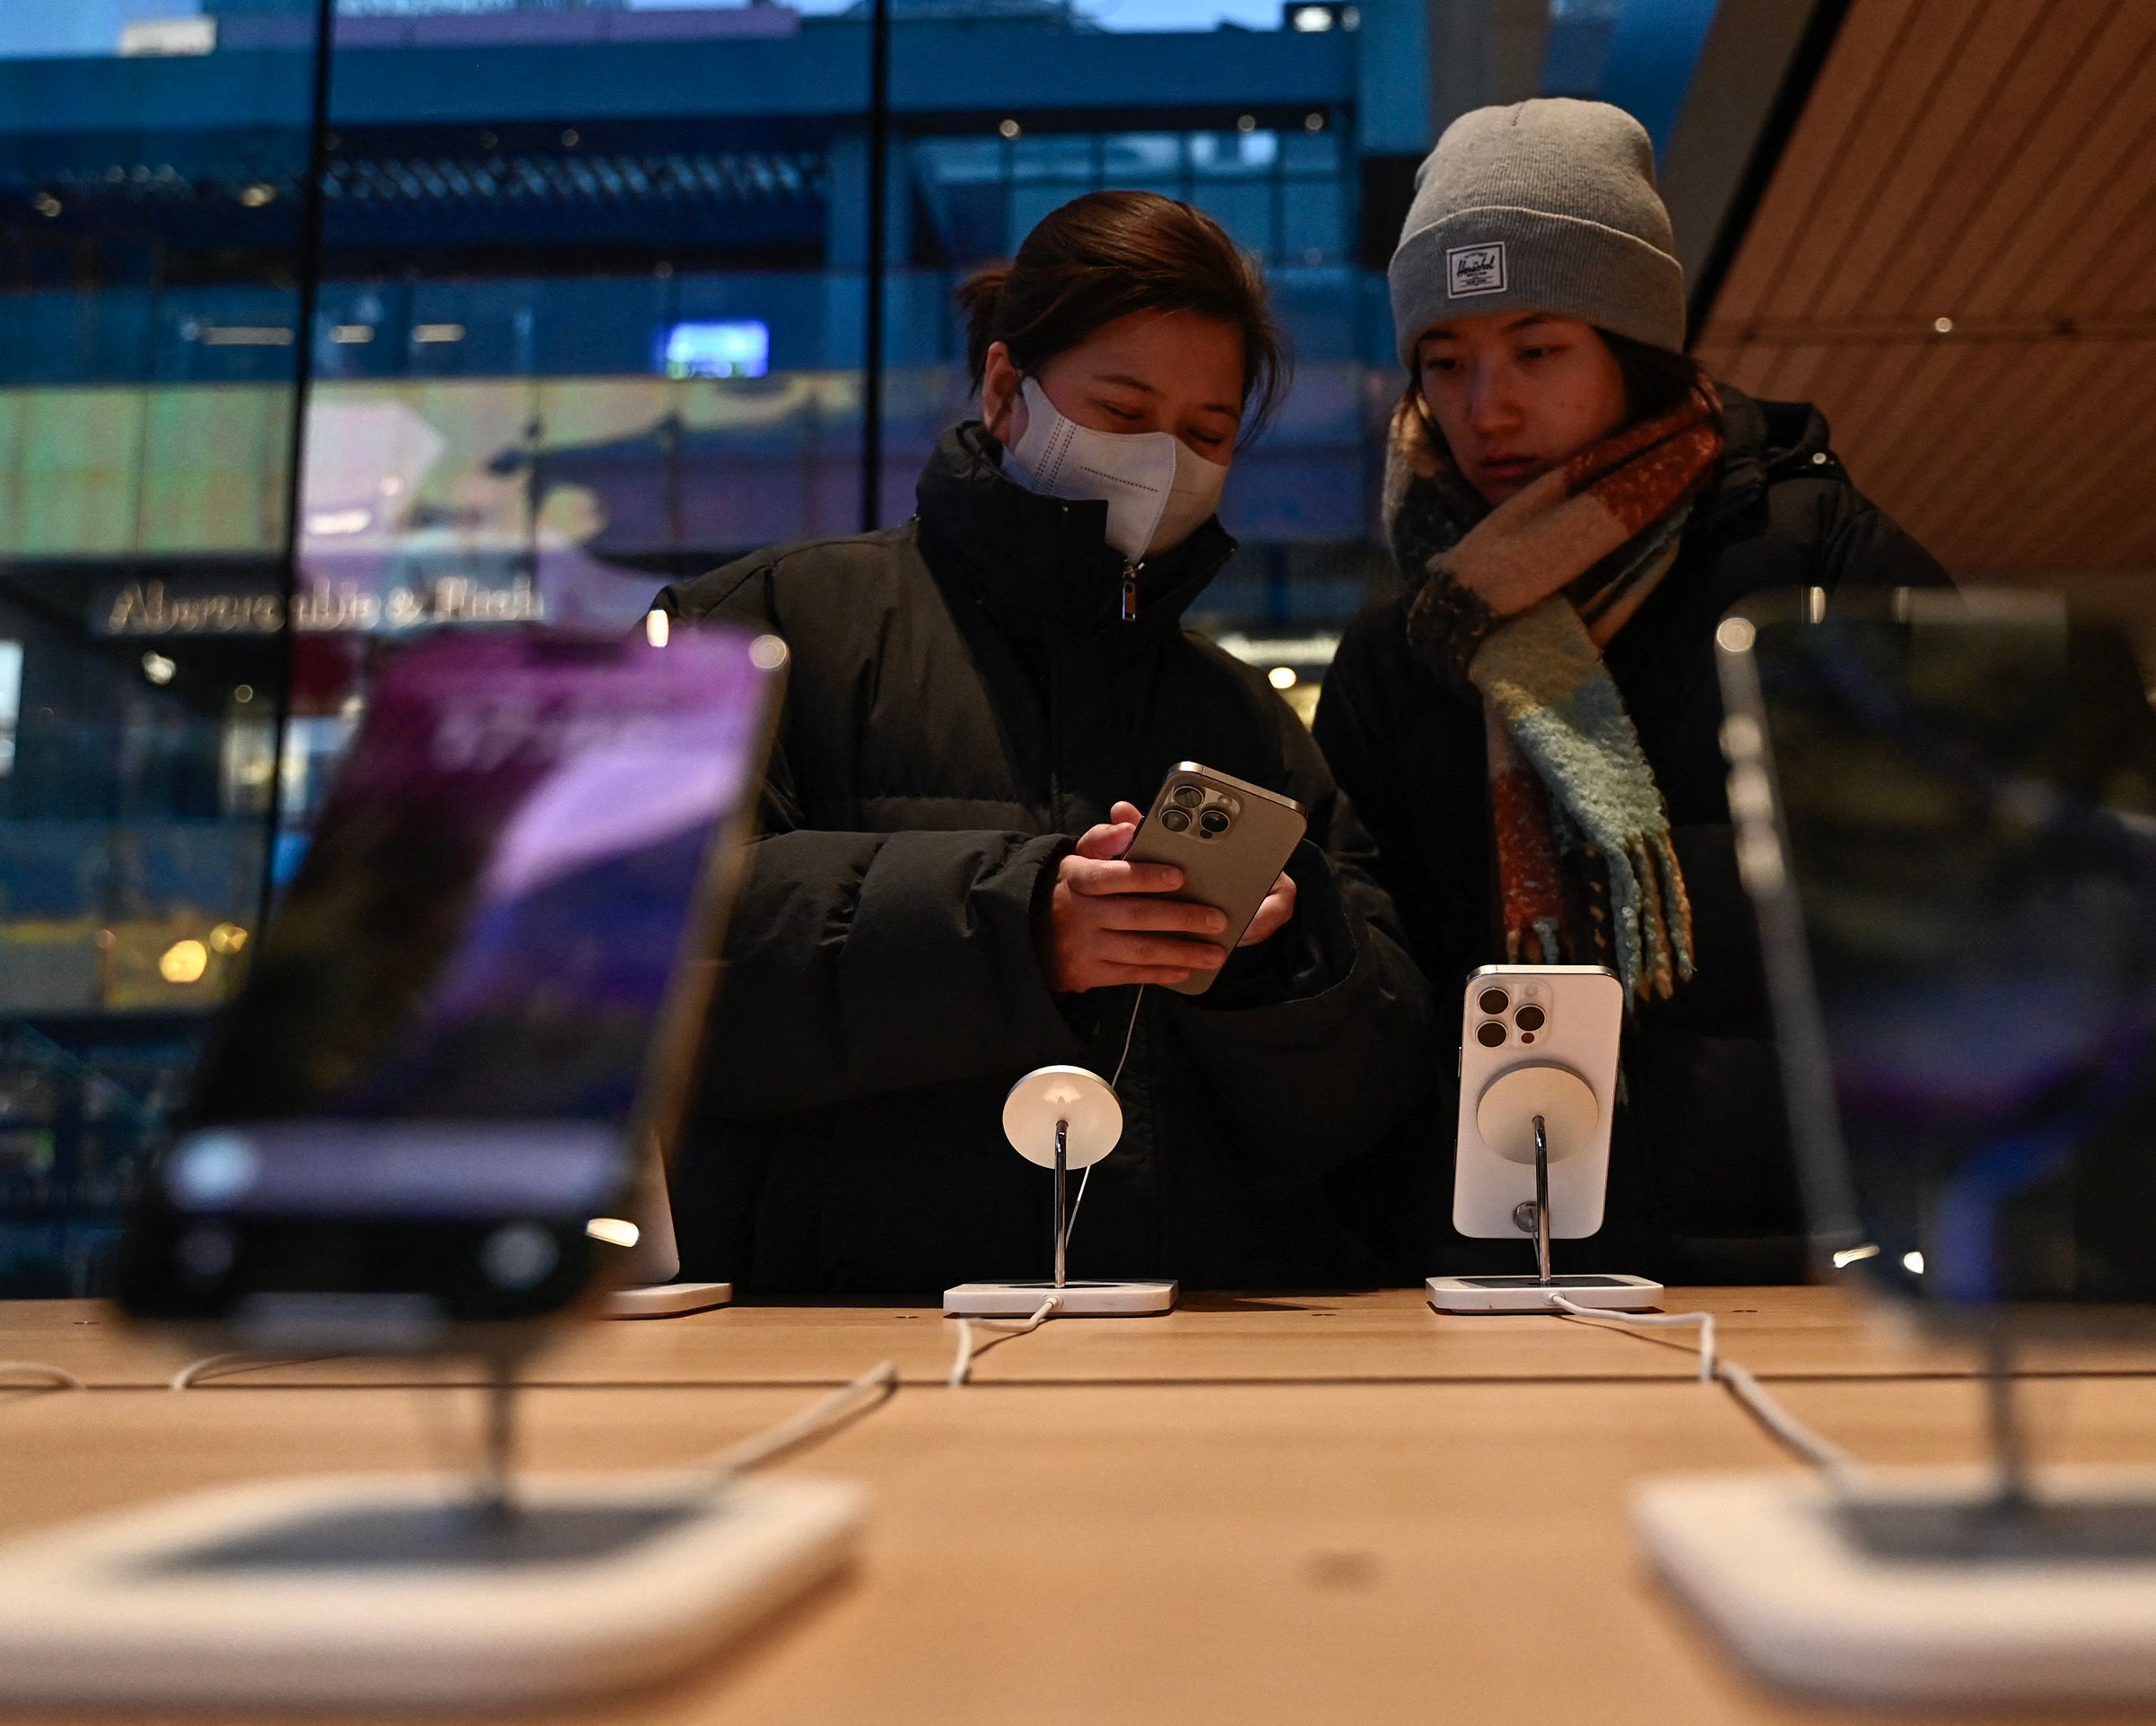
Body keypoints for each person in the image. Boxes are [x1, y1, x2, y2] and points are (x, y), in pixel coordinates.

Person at [655, 190, 1428, 1297]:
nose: (1162, 461)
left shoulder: (1243, 720)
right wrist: (1019, 926)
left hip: (1180, 1338)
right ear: (1005, 388)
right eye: (1121, 411)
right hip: (827, 1328)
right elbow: (628, 965)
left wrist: (1272, 970)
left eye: (1206, 434)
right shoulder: (768, 626)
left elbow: (1366, 1103)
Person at [1313, 100, 1950, 1285]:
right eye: (1445, 363)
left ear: (1635, 341)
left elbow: (1970, 898)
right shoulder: (1405, 645)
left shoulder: (1820, 567)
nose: (1488, 408)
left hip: (1824, 1251)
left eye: (1537, 351)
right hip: (1513, 1253)